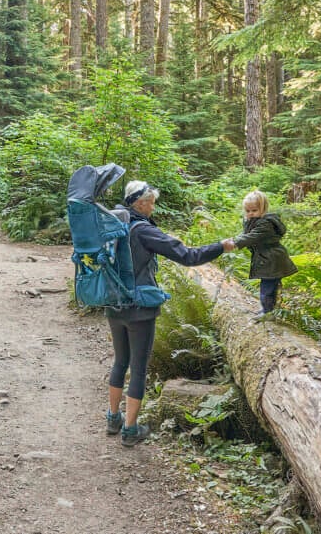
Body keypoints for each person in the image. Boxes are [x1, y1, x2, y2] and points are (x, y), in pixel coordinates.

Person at [106, 180, 235, 447]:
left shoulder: (112, 222)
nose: (154, 206)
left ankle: (113, 418)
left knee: (120, 362)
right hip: (139, 309)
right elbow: (187, 255)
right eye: (151, 202)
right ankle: (130, 430)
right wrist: (220, 246)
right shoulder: (143, 230)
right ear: (139, 204)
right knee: (138, 369)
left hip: (113, 303)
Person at [229, 190, 297, 318]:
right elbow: (246, 235)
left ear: (263, 209)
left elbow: (252, 237)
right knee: (269, 287)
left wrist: (234, 243)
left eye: (254, 211)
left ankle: (267, 312)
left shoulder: (266, 224)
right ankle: (268, 310)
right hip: (266, 259)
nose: (251, 214)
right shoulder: (253, 221)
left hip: (272, 259)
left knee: (267, 288)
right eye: (248, 211)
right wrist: (233, 239)